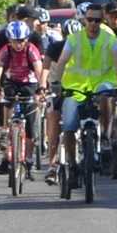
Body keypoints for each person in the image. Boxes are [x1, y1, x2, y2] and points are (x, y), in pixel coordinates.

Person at [55, 4, 117, 191]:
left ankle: (105, 138)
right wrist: (56, 81)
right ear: (84, 20)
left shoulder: (110, 38)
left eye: (97, 20)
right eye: (90, 20)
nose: (93, 24)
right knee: (69, 127)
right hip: (76, 87)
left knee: (106, 98)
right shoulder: (74, 39)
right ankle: (72, 165)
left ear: (102, 21)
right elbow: (62, 60)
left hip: (102, 83)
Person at [0, 21, 45, 180]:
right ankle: (6, 141)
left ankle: (29, 160)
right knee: (8, 102)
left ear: (26, 39)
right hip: (12, 81)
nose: (18, 45)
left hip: (30, 83)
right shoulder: (6, 51)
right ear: (9, 40)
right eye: (14, 41)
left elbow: (39, 70)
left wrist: (41, 89)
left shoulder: (31, 50)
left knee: (31, 124)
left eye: (21, 41)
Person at [42, 19, 81, 185]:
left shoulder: (86, 48)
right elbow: (45, 68)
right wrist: (42, 86)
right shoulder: (55, 47)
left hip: (79, 90)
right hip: (58, 89)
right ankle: (52, 165)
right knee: (53, 120)